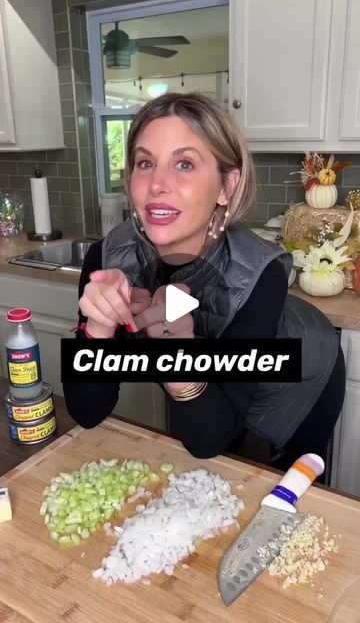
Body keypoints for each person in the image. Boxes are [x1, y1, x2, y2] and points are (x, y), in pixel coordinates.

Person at [63, 92, 345, 474]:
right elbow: (88, 413)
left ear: (226, 186)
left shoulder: (261, 276)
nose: (157, 184)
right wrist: (96, 332)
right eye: (145, 163)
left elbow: (214, 438)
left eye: (184, 164)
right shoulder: (108, 258)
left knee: (276, 486)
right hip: (216, 396)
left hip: (298, 373)